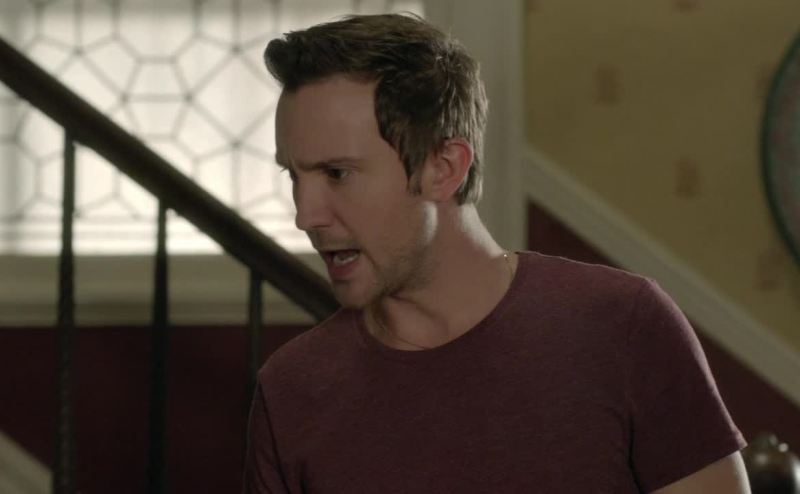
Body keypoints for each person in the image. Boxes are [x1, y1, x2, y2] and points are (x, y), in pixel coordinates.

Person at [243, 13, 749, 493]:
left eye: (337, 174)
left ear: (444, 168)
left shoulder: (624, 326)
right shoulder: (291, 389)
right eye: (294, 176)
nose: (305, 215)